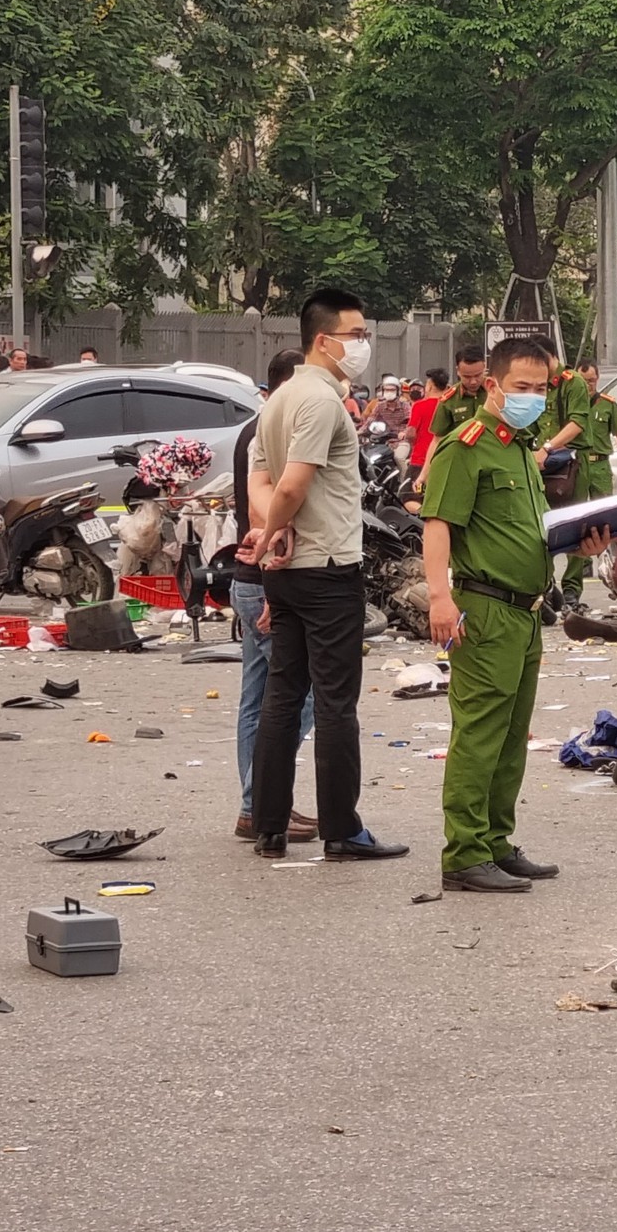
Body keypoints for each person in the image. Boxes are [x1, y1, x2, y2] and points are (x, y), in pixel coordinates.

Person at [419, 336, 611, 893]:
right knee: (479, 734)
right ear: (494, 385)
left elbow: (525, 532)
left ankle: (495, 842)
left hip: (526, 613)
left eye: (540, 388)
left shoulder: (519, 450)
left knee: (509, 738)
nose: (531, 396)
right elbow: (438, 524)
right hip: (484, 609)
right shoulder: (468, 445)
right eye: (520, 387)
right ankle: (464, 854)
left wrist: (579, 546)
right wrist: (438, 597)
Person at [239, 287, 407, 861]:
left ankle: (268, 826)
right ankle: (342, 829)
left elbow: (260, 487)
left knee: (283, 695)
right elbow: (291, 485)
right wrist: (274, 529)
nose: (363, 345)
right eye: (356, 335)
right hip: (328, 566)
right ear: (323, 340)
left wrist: (270, 531)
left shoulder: (277, 401)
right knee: (336, 702)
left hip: (287, 571)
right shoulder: (318, 401)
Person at [231, 348, 318, 843]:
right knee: (294, 698)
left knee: (258, 697)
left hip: (251, 577)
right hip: (265, 577)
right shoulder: (273, 432)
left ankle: (256, 803)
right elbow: (266, 515)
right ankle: (262, 801)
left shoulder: (254, 429)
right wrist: (272, 589)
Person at [561, 360, 617, 609]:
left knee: (606, 521)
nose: (589, 385)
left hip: (600, 465)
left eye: (592, 380)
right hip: (578, 465)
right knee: (577, 521)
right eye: (585, 381)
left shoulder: (607, 404)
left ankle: (615, 574)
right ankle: (573, 583)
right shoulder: (569, 402)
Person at [531, 337, 592, 614]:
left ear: (549, 357)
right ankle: (545, 587)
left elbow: (577, 423)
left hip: (571, 464)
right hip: (540, 464)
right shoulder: (535, 385)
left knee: (575, 525)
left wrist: (548, 447)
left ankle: (571, 590)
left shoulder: (573, 382)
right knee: (539, 525)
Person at [420, 346, 488, 488]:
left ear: (485, 367)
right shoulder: (449, 400)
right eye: (467, 377)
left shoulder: (496, 392)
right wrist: (425, 473)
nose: (474, 381)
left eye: (478, 375)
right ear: (458, 371)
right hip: (462, 466)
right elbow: (437, 439)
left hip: (493, 464)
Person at [404, 367, 450, 473]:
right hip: (443, 461)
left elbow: (410, 433)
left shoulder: (419, 406)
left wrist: (414, 444)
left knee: (409, 489)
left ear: (429, 386)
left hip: (420, 461)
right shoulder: (449, 405)